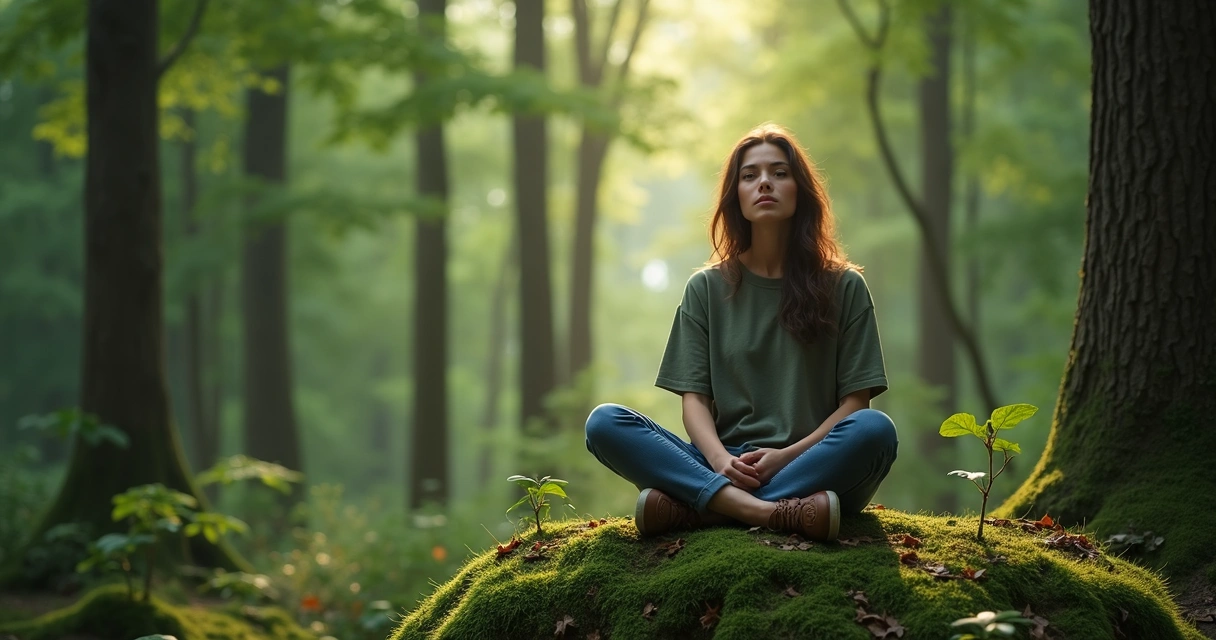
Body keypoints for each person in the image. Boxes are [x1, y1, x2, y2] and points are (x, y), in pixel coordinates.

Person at [584, 123, 898, 541]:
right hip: (722, 464)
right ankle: (766, 511)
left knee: (875, 430)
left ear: (800, 190)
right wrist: (718, 461)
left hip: (813, 462)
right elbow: (695, 401)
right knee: (604, 423)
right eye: (750, 176)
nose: (764, 182)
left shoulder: (845, 286)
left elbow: (856, 405)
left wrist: (784, 456)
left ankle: (705, 510)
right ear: (737, 196)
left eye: (779, 173)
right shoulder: (705, 288)